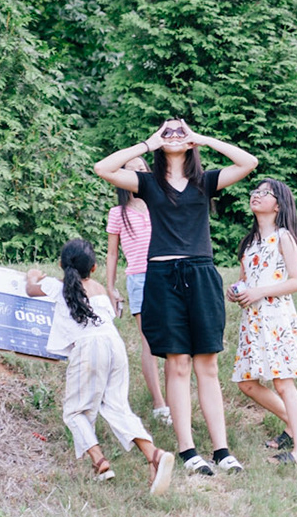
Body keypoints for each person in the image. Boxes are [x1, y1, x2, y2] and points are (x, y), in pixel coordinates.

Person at [93, 119, 258, 478]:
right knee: (178, 363)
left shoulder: (205, 182)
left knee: (207, 364)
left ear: (190, 140)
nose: (173, 135)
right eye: (166, 131)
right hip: (162, 277)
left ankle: (222, 451)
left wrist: (202, 139)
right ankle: (188, 451)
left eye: (179, 130)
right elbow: (102, 168)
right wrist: (148, 144)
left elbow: (249, 162)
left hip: (201, 273)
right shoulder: (148, 183)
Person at [25, 239, 175, 494]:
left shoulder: (57, 286)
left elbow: (31, 289)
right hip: (114, 345)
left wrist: (33, 274)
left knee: (74, 411)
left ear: (61, 264)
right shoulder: (98, 289)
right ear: (93, 268)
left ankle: (99, 461)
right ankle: (154, 454)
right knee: (117, 406)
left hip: (89, 347)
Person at [229, 179, 297, 464]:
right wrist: (236, 290)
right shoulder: (249, 243)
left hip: (276, 318)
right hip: (253, 320)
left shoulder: (283, 237)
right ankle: (294, 425)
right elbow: (246, 279)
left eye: (264, 192)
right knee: (246, 383)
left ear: (278, 205)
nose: (256, 195)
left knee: (283, 384)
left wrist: (259, 292)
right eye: (255, 191)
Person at [104, 155, 171, 426]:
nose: (138, 175)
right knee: (149, 342)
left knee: (173, 340)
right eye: (131, 171)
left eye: (142, 169)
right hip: (139, 278)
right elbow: (112, 254)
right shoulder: (117, 213)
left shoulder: (161, 203)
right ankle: (159, 404)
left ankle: (175, 399)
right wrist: (110, 287)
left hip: (167, 274)